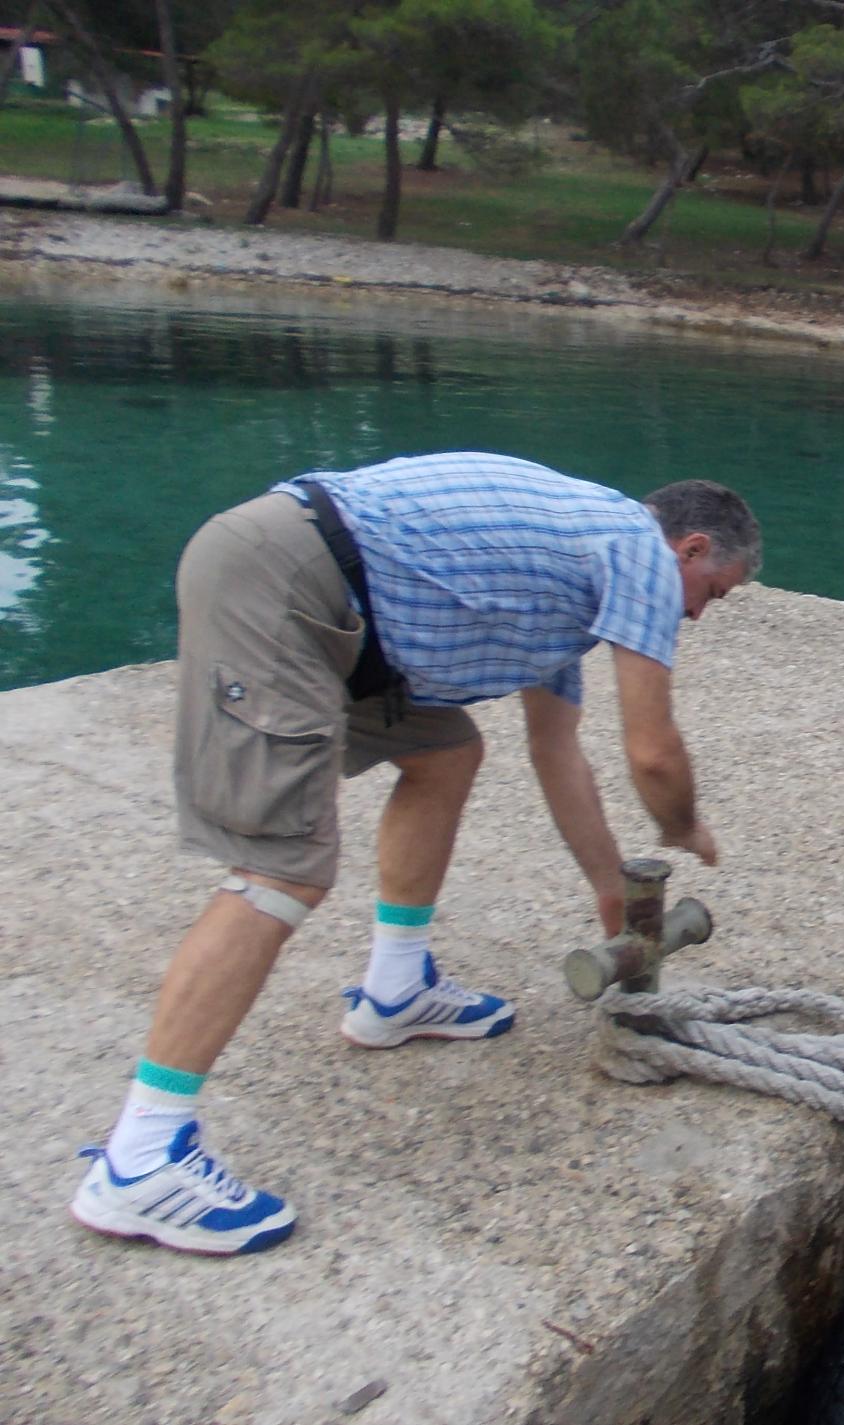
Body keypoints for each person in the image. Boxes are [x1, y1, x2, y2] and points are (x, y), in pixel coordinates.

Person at [69, 452, 761, 1256]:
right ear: (690, 548)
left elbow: (557, 750)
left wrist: (611, 891)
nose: (699, 614)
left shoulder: (577, 571)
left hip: (348, 612)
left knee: (446, 752)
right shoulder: (636, 550)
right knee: (280, 870)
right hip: (290, 584)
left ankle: (395, 990)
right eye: (714, 591)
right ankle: (142, 1158)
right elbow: (653, 752)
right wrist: (682, 824)